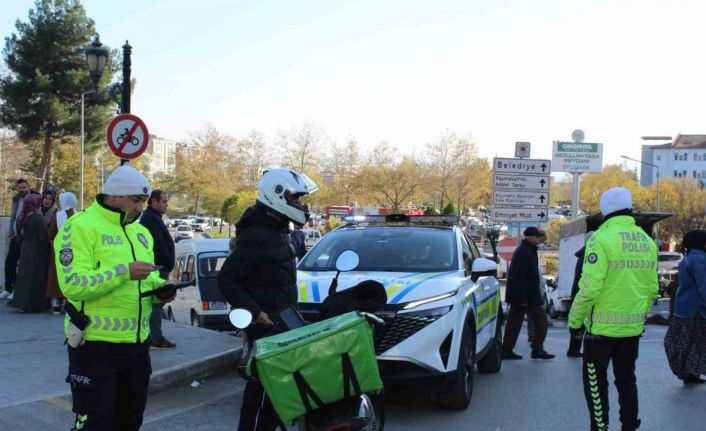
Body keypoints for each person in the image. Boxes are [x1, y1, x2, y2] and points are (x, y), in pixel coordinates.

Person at [56, 164, 175, 430]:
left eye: (144, 201)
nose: (140, 207)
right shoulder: (79, 227)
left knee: (130, 421)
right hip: (95, 347)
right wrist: (123, 272)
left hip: (137, 347)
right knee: (94, 423)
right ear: (115, 195)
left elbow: (146, 277)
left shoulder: (140, 232)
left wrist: (161, 289)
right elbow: (73, 285)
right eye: (136, 200)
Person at [218, 168, 318, 431]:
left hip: (280, 324)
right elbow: (227, 280)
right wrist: (256, 313)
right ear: (277, 195)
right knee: (261, 399)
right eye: (295, 198)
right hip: (265, 329)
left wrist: (293, 315)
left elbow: (276, 280)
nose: (300, 204)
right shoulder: (258, 235)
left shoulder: (277, 230)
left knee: (275, 399)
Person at [569, 187, 657, 431]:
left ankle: (600, 426)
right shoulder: (647, 241)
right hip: (631, 329)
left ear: (605, 210)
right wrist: (639, 314)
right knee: (627, 379)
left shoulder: (600, 239)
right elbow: (652, 288)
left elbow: (589, 288)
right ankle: (629, 425)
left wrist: (575, 321)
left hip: (601, 329)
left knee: (595, 382)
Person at [502, 227, 555, 360]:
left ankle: (507, 350)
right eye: (537, 237)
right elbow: (520, 277)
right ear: (530, 237)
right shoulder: (525, 252)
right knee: (541, 322)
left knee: (513, 324)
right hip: (526, 297)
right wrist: (524, 298)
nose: (539, 240)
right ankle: (536, 349)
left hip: (523, 297)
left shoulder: (527, 250)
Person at [664, 229, 706, 384]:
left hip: (683, 309)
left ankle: (688, 373)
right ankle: (690, 372)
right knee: (697, 343)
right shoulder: (700, 259)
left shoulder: (687, 259)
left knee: (684, 342)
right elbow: (703, 286)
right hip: (697, 310)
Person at [140, 190, 177, 350]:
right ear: (153, 202)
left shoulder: (154, 217)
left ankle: (153, 336)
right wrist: (166, 262)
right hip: (158, 269)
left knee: (157, 304)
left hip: (160, 267)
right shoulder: (151, 219)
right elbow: (157, 245)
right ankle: (155, 338)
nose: (166, 204)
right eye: (163, 202)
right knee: (156, 304)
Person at [11, 194, 51, 312]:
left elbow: (18, 233)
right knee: (35, 278)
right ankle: (34, 305)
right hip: (37, 252)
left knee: (24, 277)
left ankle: (21, 303)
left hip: (25, 250)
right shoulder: (37, 218)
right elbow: (44, 236)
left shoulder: (22, 216)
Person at [1, 179, 37, 301]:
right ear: (17, 188)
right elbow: (13, 216)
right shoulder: (16, 199)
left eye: (24, 187)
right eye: (20, 187)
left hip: (27, 237)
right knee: (9, 262)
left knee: (22, 265)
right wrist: (11, 232)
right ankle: (8, 288)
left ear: (28, 187)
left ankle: (16, 290)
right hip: (15, 236)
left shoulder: (34, 198)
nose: (22, 189)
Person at [47, 192, 79, 314]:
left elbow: (50, 233)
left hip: (58, 250)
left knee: (56, 275)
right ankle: (68, 302)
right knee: (70, 274)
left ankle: (56, 303)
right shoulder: (77, 215)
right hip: (74, 250)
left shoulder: (58, 215)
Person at [567, 231, 593, 358]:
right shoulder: (588, 257)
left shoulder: (583, 255)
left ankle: (574, 349)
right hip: (582, 292)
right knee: (581, 322)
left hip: (578, 291)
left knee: (579, 321)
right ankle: (574, 350)